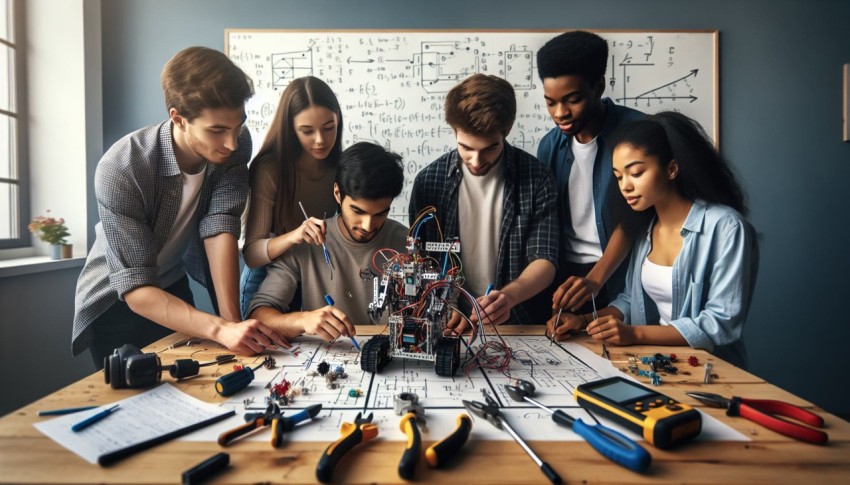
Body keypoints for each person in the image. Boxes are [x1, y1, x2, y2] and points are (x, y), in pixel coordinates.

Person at [72, 47, 288, 369]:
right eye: (216, 130)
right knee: (133, 396)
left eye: (237, 125)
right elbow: (135, 287)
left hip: (171, 285)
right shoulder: (122, 167)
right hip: (116, 302)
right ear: (178, 118)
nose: (231, 143)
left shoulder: (236, 144)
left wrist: (233, 325)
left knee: (193, 383)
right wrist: (221, 329)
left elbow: (220, 225)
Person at [548, 112, 759, 368]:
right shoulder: (645, 227)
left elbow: (721, 323)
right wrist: (583, 321)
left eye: (636, 173)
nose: (625, 186)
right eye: (618, 176)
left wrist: (634, 334)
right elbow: (630, 300)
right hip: (661, 365)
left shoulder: (726, 227)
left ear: (672, 169)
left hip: (714, 371)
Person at [409, 74, 558, 326]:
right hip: (448, 322)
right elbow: (419, 259)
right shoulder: (428, 181)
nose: (477, 161)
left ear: (506, 131)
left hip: (516, 320)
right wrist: (446, 304)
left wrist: (508, 297)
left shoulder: (537, 178)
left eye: (490, 148)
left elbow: (545, 258)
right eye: (466, 148)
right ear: (454, 132)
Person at [535, 31, 647, 320]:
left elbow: (634, 217)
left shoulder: (638, 133)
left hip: (620, 277)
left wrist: (596, 278)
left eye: (572, 100)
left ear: (598, 87)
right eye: (550, 102)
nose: (560, 113)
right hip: (566, 281)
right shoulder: (549, 146)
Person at [247, 142, 408, 342]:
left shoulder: (407, 243)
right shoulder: (307, 242)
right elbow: (258, 315)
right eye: (357, 211)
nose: (367, 225)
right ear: (337, 194)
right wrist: (303, 320)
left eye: (380, 213)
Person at [241, 76, 343, 318]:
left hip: (314, 275)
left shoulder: (342, 166)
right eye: (307, 131)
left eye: (329, 127)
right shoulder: (270, 170)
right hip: (266, 281)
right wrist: (296, 235)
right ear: (290, 128)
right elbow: (252, 255)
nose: (320, 140)